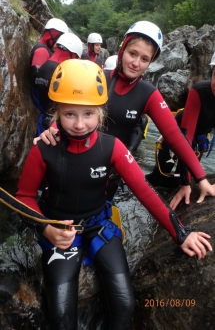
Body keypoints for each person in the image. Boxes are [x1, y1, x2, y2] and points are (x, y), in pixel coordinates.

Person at [16, 59, 212, 330]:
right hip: (59, 230)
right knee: (61, 316)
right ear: (56, 112)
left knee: (124, 304)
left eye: (88, 114)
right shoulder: (43, 150)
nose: (79, 124)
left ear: (101, 113)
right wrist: (46, 228)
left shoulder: (114, 147)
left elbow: (145, 192)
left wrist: (181, 233)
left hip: (99, 227)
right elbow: (24, 196)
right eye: (69, 114)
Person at [35, 21, 215, 205]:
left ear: (151, 62)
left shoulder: (148, 94)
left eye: (145, 59)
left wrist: (200, 178)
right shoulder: (97, 77)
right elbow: (67, 112)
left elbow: (176, 137)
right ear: (122, 50)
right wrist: (52, 129)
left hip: (105, 176)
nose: (136, 63)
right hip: (67, 164)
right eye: (132, 54)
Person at [148, 51, 215, 210]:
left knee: (183, 177)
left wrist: (186, 181)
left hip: (198, 137)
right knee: (160, 177)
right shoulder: (200, 91)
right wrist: (186, 184)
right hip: (176, 132)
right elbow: (186, 136)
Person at [34, 32, 83, 133]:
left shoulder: (45, 65)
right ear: (73, 54)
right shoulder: (62, 72)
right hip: (54, 124)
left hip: (43, 118)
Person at [29, 18, 69, 111]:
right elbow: (39, 79)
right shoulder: (42, 51)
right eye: (59, 38)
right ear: (53, 34)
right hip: (42, 98)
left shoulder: (45, 48)